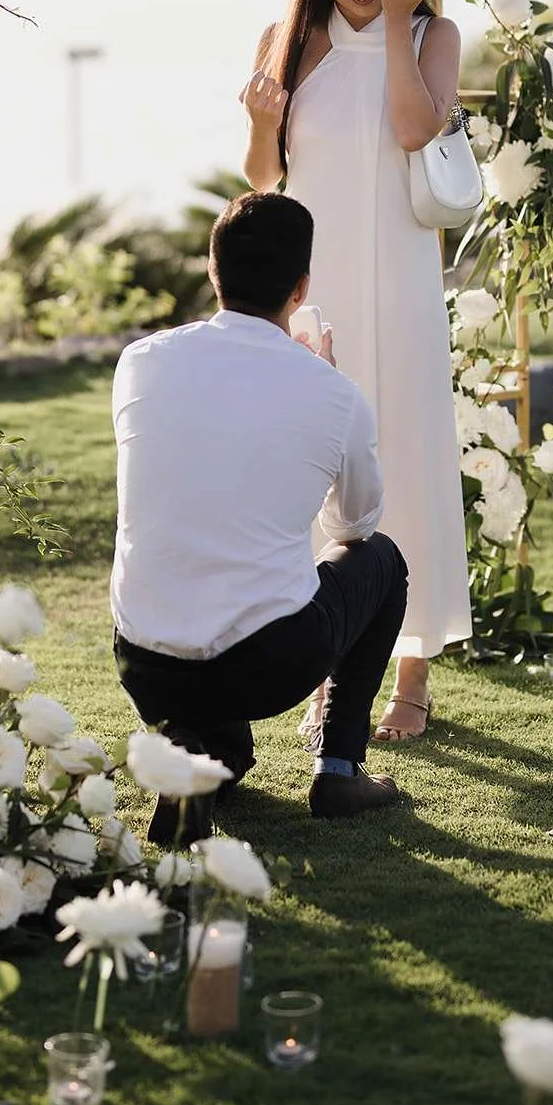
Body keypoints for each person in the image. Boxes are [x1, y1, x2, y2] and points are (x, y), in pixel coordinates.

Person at [241, 0, 471, 742]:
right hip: (314, 288)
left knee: (403, 455)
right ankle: (327, 669)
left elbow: (414, 130)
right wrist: (263, 120)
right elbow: (264, 181)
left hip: (402, 284)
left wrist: (402, 27)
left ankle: (410, 672)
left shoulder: (432, 35)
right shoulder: (286, 42)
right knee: (316, 470)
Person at [111, 191, 409, 841]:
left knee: (225, 739)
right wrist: (318, 385)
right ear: (299, 289)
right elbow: (354, 527)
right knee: (383, 560)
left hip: (145, 662)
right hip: (268, 664)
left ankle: (197, 753)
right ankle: (338, 770)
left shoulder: (139, 364)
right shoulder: (332, 394)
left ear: (212, 271)